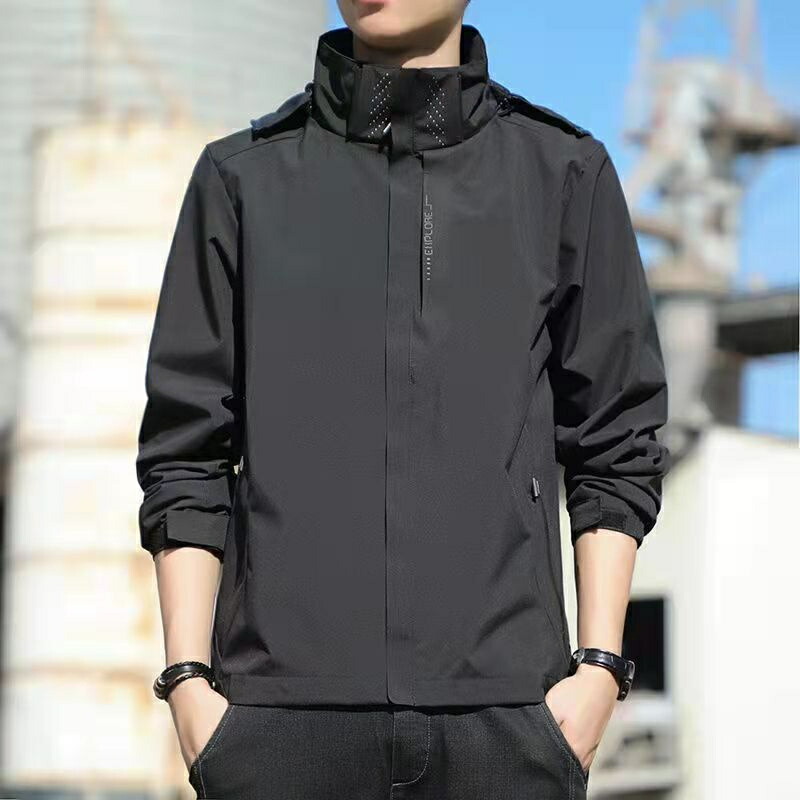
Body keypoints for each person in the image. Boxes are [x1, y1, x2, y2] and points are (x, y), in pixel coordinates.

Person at [135, 1, 671, 798]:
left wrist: (597, 670)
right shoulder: (241, 179)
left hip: (508, 726)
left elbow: (617, 440)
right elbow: (186, 448)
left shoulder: (561, 174)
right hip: (277, 728)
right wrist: (188, 684)